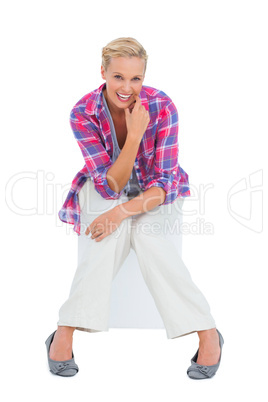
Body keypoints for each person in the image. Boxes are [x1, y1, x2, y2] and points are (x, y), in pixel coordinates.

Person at [45, 37, 224, 379]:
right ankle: (65, 329)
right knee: (103, 239)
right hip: (104, 184)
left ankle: (207, 332)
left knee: (151, 238)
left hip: (155, 191)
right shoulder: (83, 113)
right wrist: (132, 139)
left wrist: (120, 213)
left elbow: (164, 185)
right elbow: (110, 183)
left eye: (135, 79)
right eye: (117, 77)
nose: (126, 87)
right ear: (103, 73)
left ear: (144, 77)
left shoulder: (162, 106)